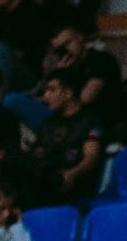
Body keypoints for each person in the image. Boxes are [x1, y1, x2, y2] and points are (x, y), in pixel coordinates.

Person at [32, 71, 107, 201]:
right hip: (46, 178)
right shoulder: (48, 124)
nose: (46, 95)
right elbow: (37, 151)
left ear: (68, 93)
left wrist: (73, 173)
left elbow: (92, 157)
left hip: (75, 183)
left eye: (52, 90)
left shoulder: (89, 122)